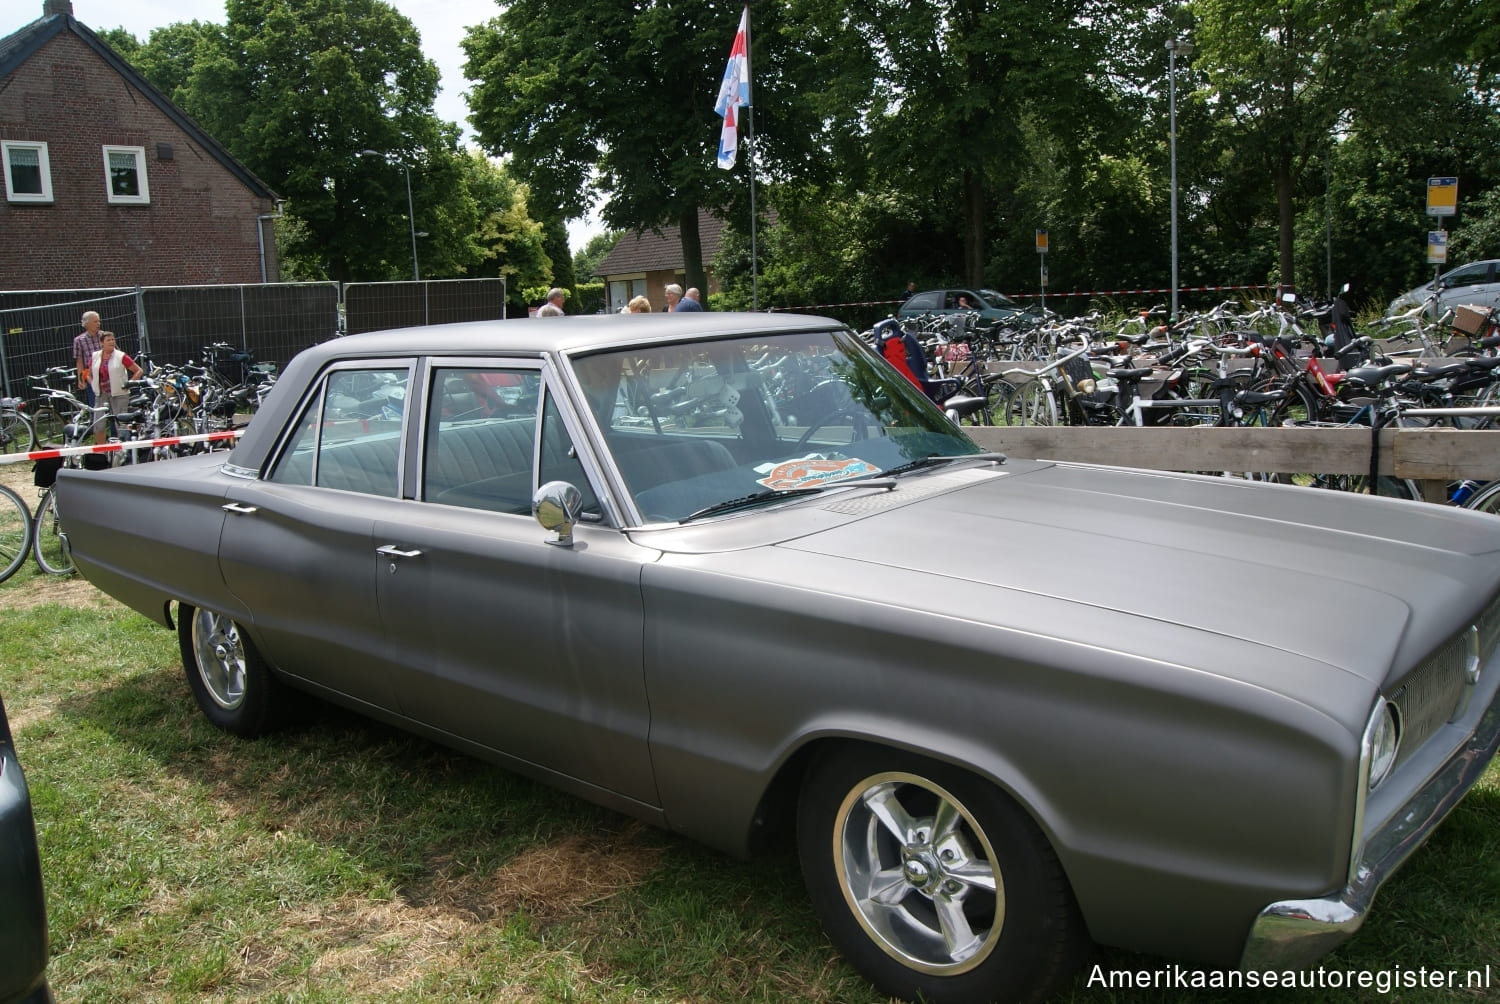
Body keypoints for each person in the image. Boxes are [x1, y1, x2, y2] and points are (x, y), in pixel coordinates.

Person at [88, 331, 143, 446]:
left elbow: (138, 370)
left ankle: (122, 451)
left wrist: (129, 384)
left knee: (121, 424)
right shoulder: (95, 356)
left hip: (119, 393)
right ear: (101, 343)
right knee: (98, 424)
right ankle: (101, 451)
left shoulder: (121, 356)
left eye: (113, 340)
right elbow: (89, 373)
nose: (112, 342)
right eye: (108, 340)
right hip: (101, 393)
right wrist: (93, 384)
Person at [73, 310, 103, 406]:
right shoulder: (79, 340)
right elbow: (79, 361)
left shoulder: (105, 336)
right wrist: (81, 379)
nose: (98, 324)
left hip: (107, 374)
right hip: (91, 375)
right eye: (95, 322)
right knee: (94, 404)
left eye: (98, 321)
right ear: (86, 324)